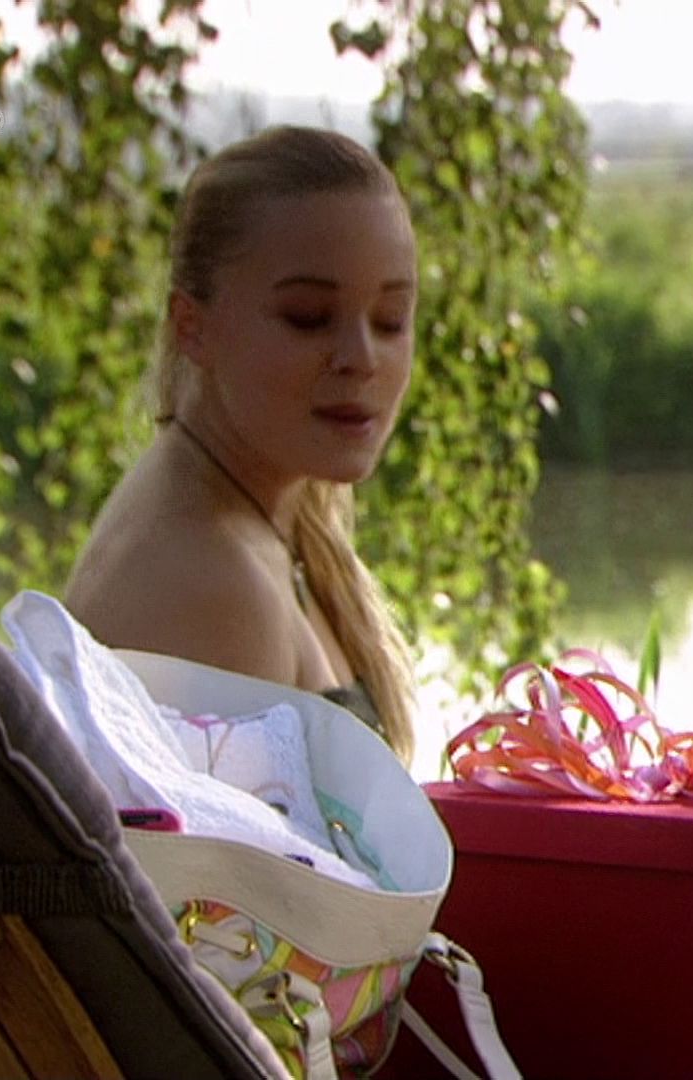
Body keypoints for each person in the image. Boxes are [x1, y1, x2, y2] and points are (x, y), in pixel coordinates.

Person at [65, 125, 420, 763]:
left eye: (390, 320)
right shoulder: (209, 587)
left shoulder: (257, 511)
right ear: (192, 327)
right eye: (308, 318)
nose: (362, 358)